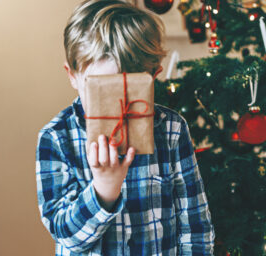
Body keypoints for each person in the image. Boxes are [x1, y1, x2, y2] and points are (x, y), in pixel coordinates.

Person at [35, 0, 215, 255]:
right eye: (100, 88)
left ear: (152, 76)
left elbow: (195, 226)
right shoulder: (55, 139)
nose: (115, 103)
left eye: (128, 87)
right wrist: (103, 191)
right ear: (72, 75)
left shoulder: (172, 130)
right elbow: (68, 238)